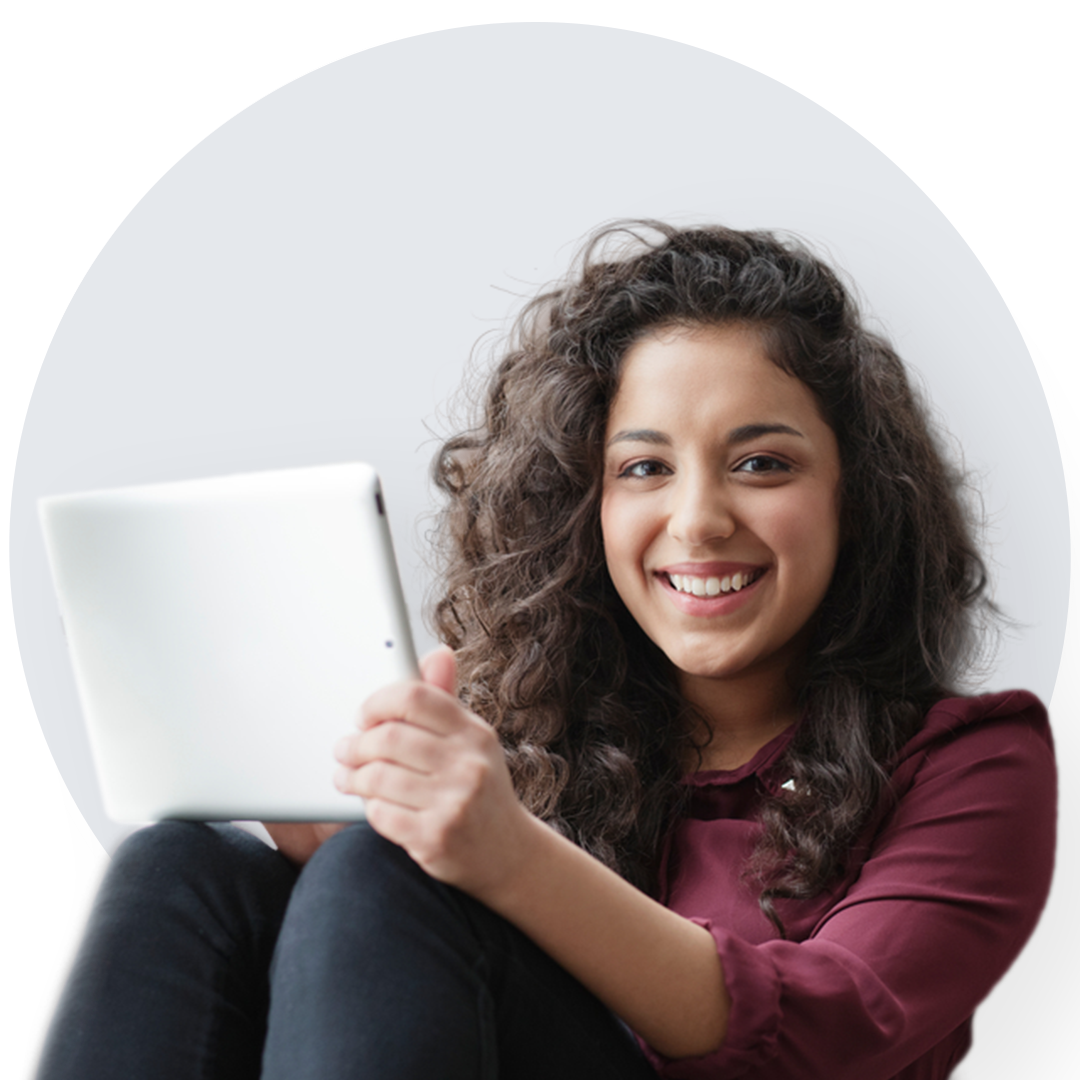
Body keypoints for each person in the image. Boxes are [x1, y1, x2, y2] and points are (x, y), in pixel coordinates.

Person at [29, 214, 1059, 1080]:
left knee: (385, 883)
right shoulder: (529, 753)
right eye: (644, 469)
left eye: (760, 462)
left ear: (856, 501)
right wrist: (347, 858)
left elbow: (833, 1022)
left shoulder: (975, 765)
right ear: (585, 508)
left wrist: (499, 859)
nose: (697, 521)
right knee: (185, 868)